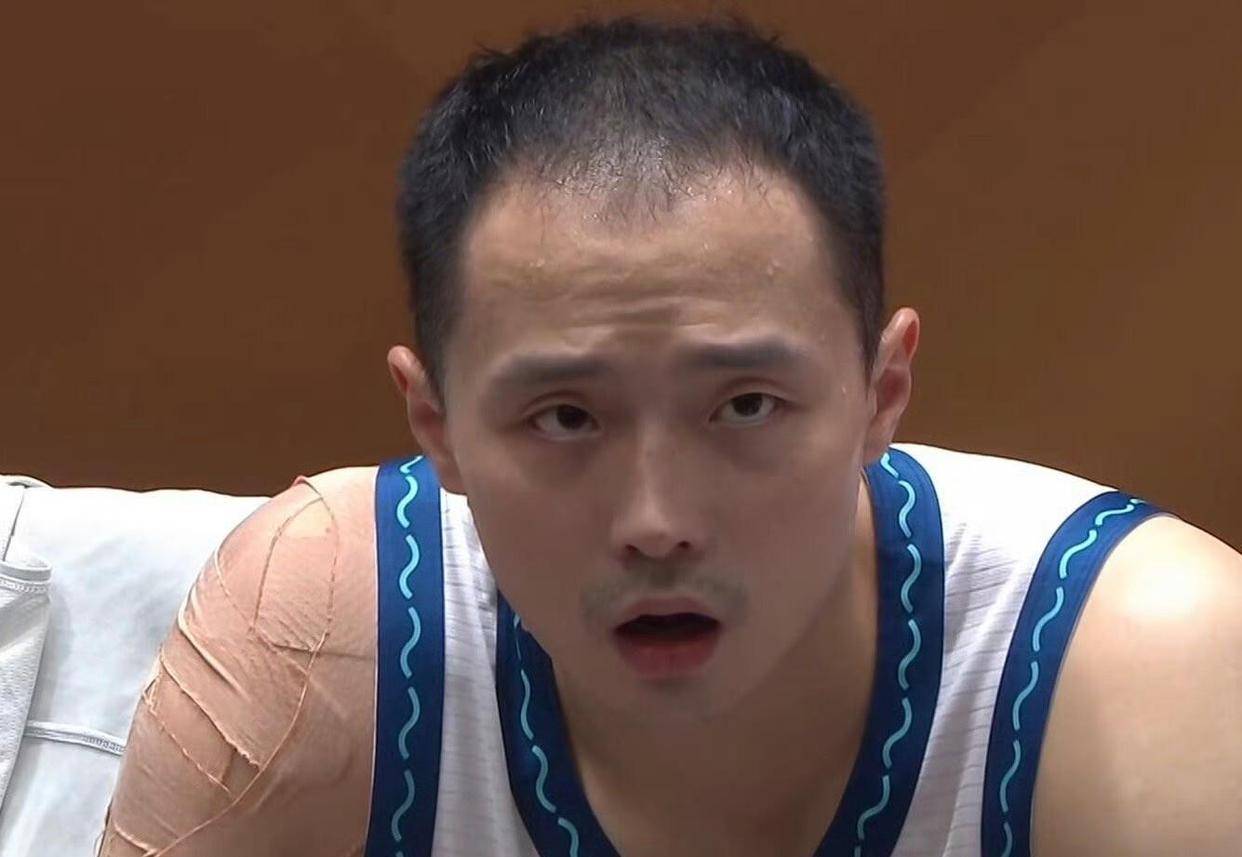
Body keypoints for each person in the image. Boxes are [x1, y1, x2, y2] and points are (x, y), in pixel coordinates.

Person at [98, 15, 1242, 857]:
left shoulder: (1146, 667)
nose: (658, 521)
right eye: (565, 417)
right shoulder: (319, 640)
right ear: (433, 424)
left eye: (745, 405)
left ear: (882, 390)